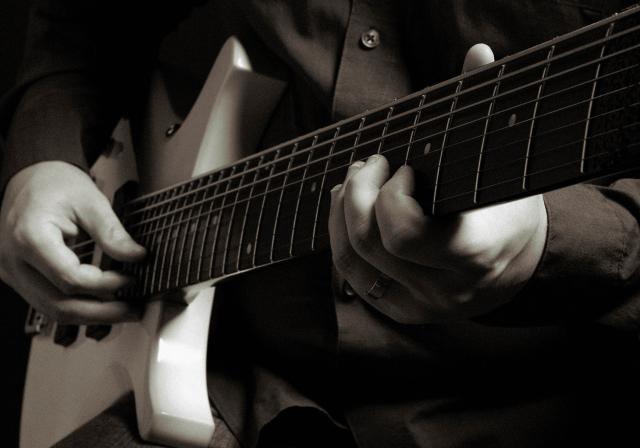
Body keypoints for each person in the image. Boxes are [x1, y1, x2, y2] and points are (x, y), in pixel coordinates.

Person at [1, 0, 640, 446]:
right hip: (226, 367)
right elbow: (80, 20)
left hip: (515, 404)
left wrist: (550, 243)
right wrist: (44, 155)